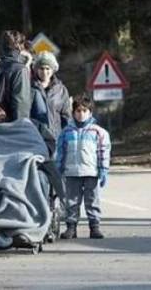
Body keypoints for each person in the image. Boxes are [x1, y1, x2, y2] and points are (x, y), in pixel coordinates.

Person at [56, 95, 111, 240]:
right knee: (71, 201)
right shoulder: (67, 132)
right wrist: (59, 168)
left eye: (84, 111)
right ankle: (71, 227)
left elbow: (103, 151)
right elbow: (61, 151)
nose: (81, 114)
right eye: (78, 111)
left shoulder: (98, 132)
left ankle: (94, 227)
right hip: (72, 172)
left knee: (92, 200)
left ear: (90, 112)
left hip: (90, 172)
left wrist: (103, 170)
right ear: (73, 113)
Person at [30, 52, 72, 141]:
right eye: (41, 68)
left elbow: (66, 116)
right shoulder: (29, 87)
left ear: (53, 70)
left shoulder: (61, 90)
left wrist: (67, 137)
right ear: (36, 69)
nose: (44, 72)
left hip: (56, 138)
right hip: (36, 137)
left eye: (47, 68)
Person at [0, 30, 32, 121]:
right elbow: (20, 104)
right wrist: (22, 128)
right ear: (20, 47)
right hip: (11, 126)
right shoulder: (19, 70)